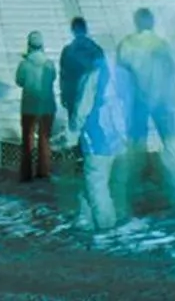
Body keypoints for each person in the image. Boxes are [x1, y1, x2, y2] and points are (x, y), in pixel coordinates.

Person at [115, 8, 175, 205]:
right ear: (152, 23)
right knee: (170, 142)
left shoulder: (127, 45)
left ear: (136, 22)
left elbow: (121, 76)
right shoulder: (161, 45)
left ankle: (132, 187)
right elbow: (173, 74)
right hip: (162, 101)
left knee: (136, 143)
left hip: (138, 100)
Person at [75, 55, 127, 234]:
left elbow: (82, 109)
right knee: (100, 182)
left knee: (97, 183)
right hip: (116, 139)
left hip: (97, 138)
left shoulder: (93, 77)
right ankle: (88, 221)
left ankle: (105, 226)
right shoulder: (122, 76)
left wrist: (72, 132)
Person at [15, 31, 57, 181]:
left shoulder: (24, 64)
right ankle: (43, 171)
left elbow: (19, 81)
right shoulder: (49, 63)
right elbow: (52, 78)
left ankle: (26, 173)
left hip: (29, 105)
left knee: (27, 138)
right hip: (47, 105)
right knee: (45, 138)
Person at [58, 18, 104, 135]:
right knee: (93, 123)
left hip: (73, 95)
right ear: (86, 29)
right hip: (92, 94)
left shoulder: (68, 51)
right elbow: (103, 74)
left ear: (73, 30)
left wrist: (64, 96)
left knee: (76, 128)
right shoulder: (97, 50)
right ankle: (100, 149)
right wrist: (100, 93)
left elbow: (64, 76)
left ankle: (80, 150)